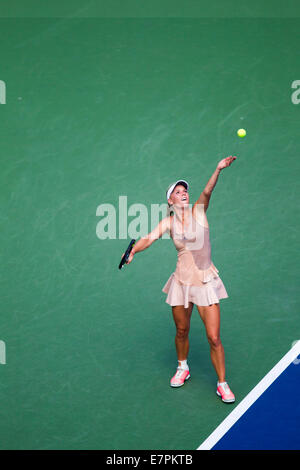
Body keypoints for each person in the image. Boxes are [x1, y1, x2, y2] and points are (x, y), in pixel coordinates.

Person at [124, 156, 236, 403]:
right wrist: (133, 251)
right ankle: (182, 367)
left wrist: (217, 169)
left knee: (214, 338)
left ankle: (222, 383)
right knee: (182, 330)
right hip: (182, 284)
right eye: (178, 191)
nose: (184, 193)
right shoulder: (168, 222)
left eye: (185, 190)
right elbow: (149, 238)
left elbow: (207, 190)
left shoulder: (199, 211)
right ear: (170, 200)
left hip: (205, 283)